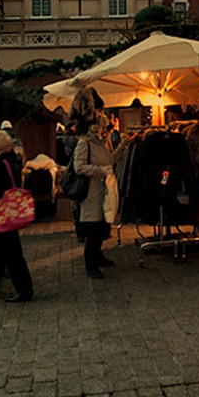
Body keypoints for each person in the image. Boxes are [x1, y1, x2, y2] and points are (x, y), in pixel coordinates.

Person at [0, 130, 33, 302]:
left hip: (4, 214)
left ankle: (23, 289)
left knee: (11, 253)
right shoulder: (12, 161)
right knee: (0, 248)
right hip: (10, 212)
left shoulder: (0, 164)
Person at [73, 114, 118, 279]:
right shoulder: (85, 143)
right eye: (104, 126)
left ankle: (98, 256)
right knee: (94, 229)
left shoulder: (104, 142)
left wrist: (125, 145)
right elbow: (79, 167)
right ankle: (91, 265)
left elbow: (111, 160)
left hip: (104, 190)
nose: (107, 129)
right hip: (91, 193)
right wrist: (100, 170)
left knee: (103, 227)